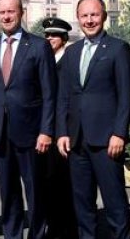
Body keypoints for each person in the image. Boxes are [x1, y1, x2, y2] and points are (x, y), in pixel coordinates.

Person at [0, 0, 57, 239]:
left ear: (21, 13)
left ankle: (37, 235)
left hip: (31, 135)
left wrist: (46, 130)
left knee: (35, 191)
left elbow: (50, 93)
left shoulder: (38, 46)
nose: (7, 16)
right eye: (2, 12)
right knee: (8, 192)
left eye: (11, 11)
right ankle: (12, 235)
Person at [57, 0, 130, 239]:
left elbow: (126, 95)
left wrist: (119, 133)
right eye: (84, 16)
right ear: (78, 18)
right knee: (83, 206)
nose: (89, 20)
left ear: (103, 16)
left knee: (115, 204)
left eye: (94, 15)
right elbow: (64, 97)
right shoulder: (72, 52)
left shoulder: (117, 48)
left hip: (107, 140)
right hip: (77, 141)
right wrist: (61, 132)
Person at [40, 15, 77, 239]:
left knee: (68, 182)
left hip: (66, 129)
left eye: (54, 35)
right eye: (47, 35)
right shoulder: (46, 61)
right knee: (49, 181)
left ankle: (69, 229)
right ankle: (53, 227)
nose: (50, 38)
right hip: (47, 130)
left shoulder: (69, 61)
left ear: (63, 38)